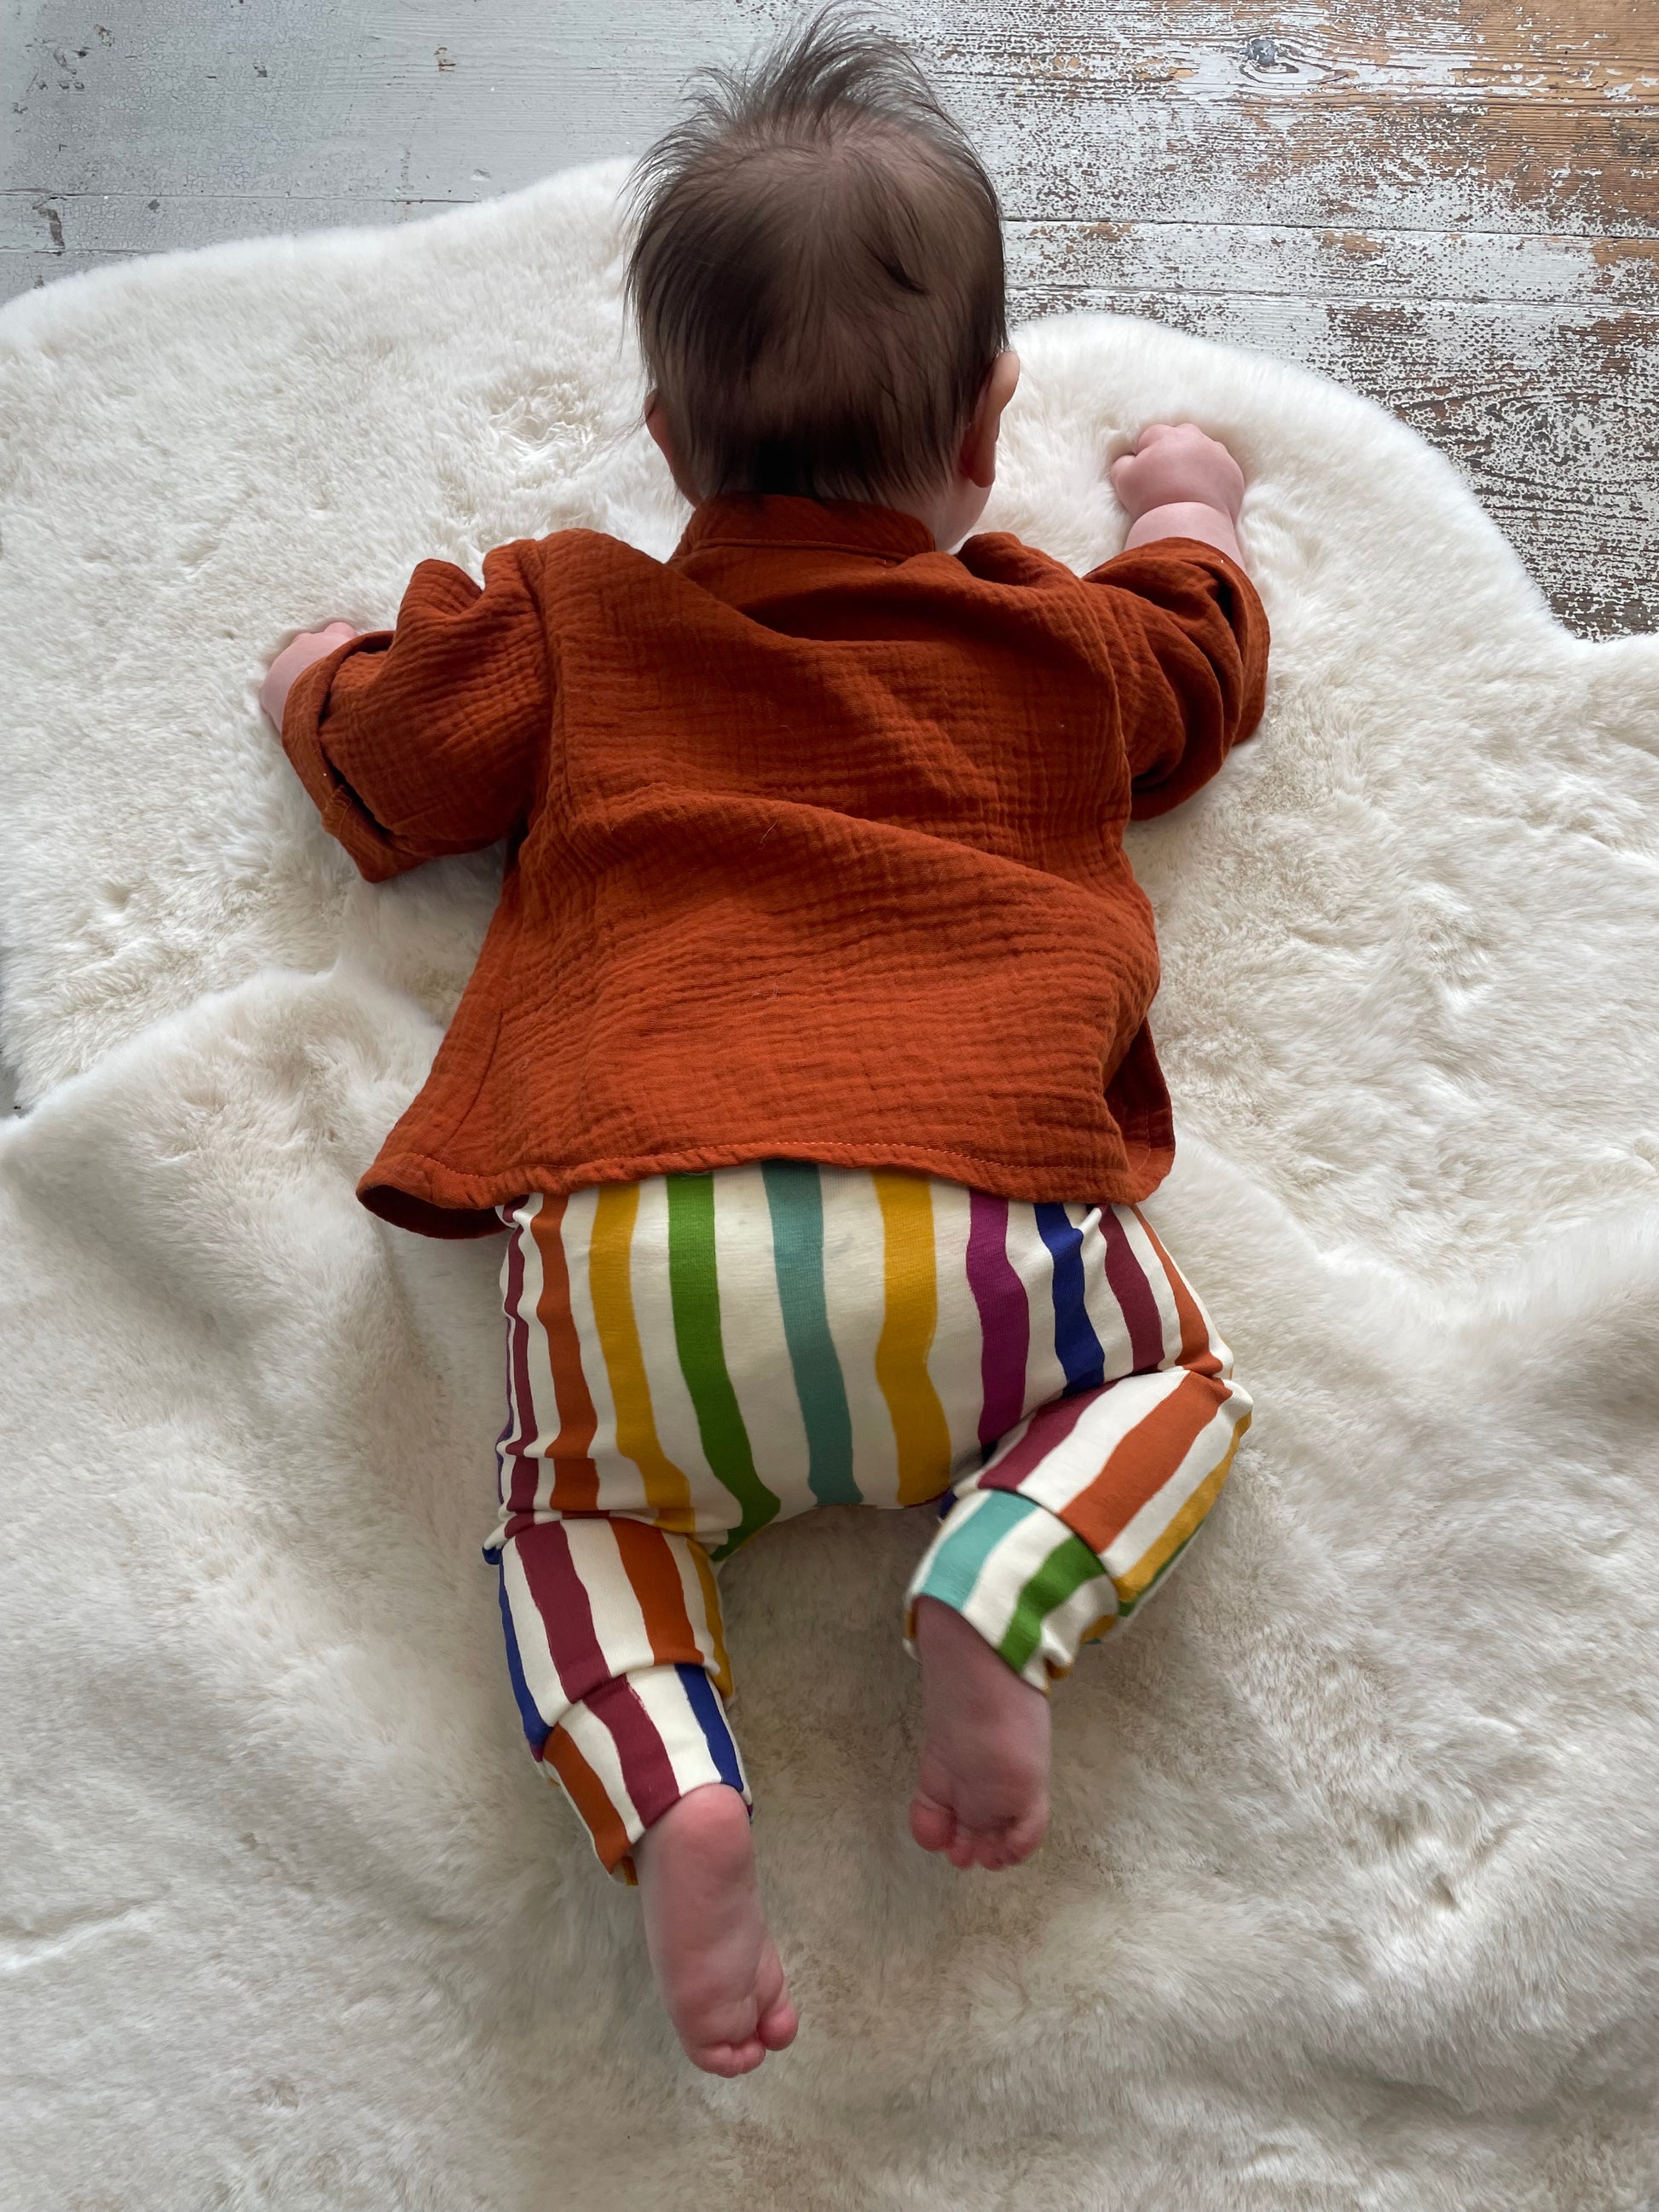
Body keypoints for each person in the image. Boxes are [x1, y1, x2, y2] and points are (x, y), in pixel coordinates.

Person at [261, 9, 1267, 2080]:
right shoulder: (1057, 637)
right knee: (1177, 1381)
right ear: (987, 426)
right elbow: (1204, 665)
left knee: (573, 1521)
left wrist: (317, 677)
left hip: (641, 1245)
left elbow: (396, 765)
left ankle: (673, 1788)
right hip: (985, 1235)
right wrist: (1190, 504)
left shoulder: (574, 619)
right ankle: (997, 1581)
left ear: (662, 431)